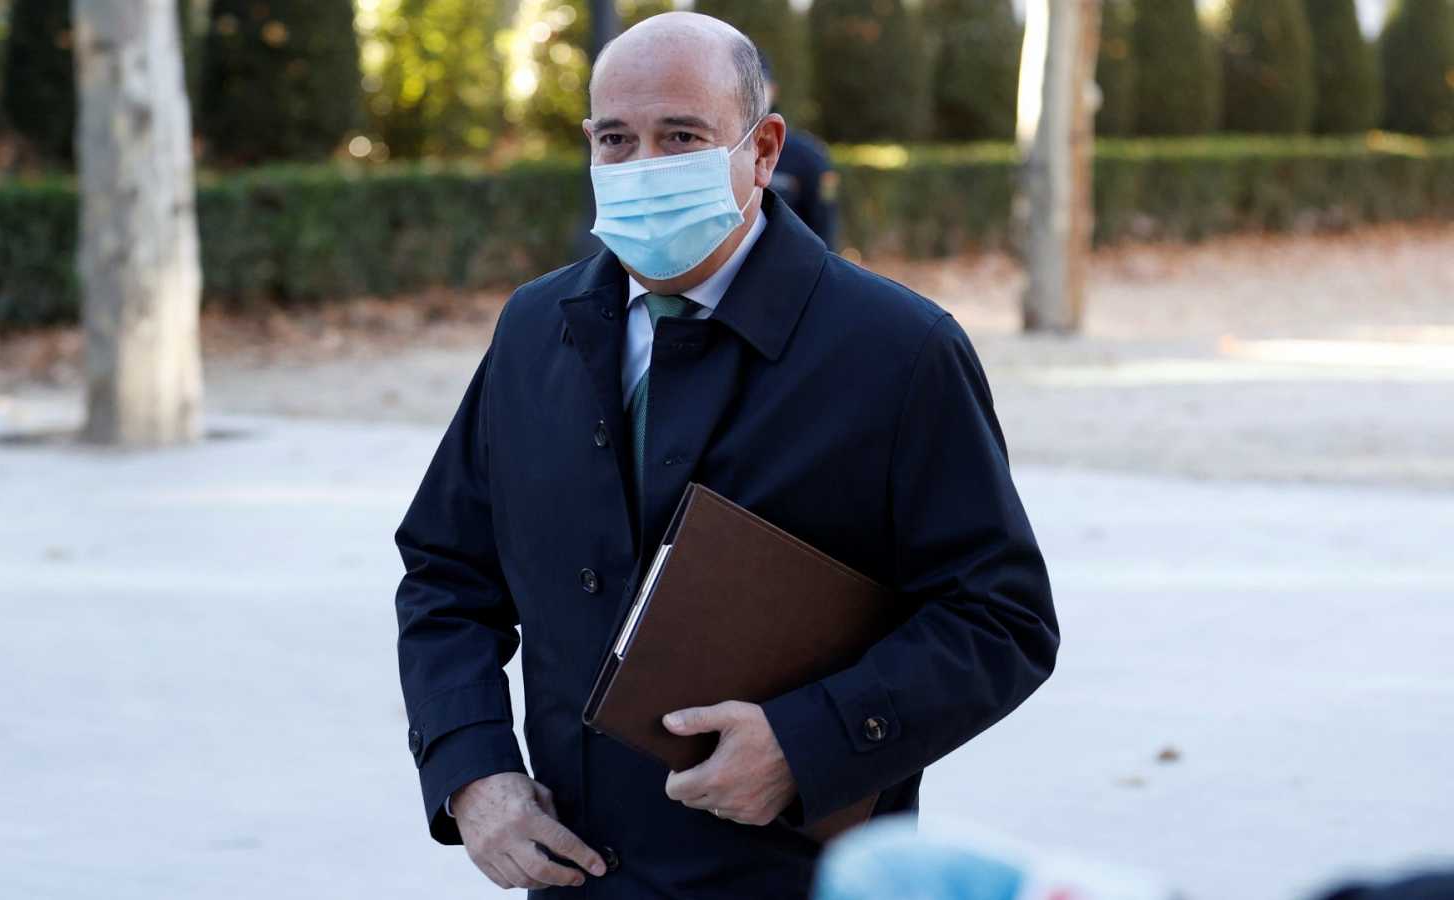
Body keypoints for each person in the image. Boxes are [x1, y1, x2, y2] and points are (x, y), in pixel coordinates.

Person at [394, 12, 1057, 898]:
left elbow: (1002, 618)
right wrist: (471, 768)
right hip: (576, 879)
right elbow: (445, 574)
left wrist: (807, 742)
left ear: (764, 149)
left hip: (794, 879)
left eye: (681, 137)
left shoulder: (899, 351)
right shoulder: (533, 329)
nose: (644, 166)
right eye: (616, 140)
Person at [760, 53, 840, 248]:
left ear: (773, 90)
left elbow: (824, 225)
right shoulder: (712, 153)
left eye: (756, 86)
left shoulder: (808, 157)